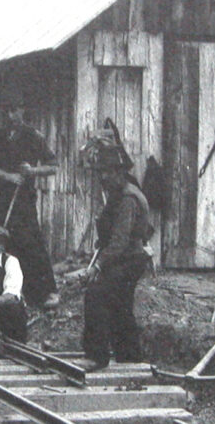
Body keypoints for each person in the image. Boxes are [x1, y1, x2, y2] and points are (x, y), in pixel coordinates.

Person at [80, 132, 152, 372]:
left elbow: (120, 242)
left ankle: (96, 355)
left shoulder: (128, 198)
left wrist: (97, 266)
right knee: (120, 305)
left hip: (130, 259)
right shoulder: (117, 195)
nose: (103, 177)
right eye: (101, 172)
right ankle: (129, 356)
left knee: (96, 294)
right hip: (125, 258)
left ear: (120, 172)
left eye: (108, 172)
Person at [0, 102, 61, 308]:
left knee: (32, 242)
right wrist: (9, 176)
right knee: (7, 242)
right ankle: (13, 291)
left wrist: (32, 171)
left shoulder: (34, 137)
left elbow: (53, 166)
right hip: (2, 197)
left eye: (16, 109)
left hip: (24, 199)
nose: (12, 114)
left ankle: (48, 292)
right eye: (8, 110)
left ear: (22, 110)